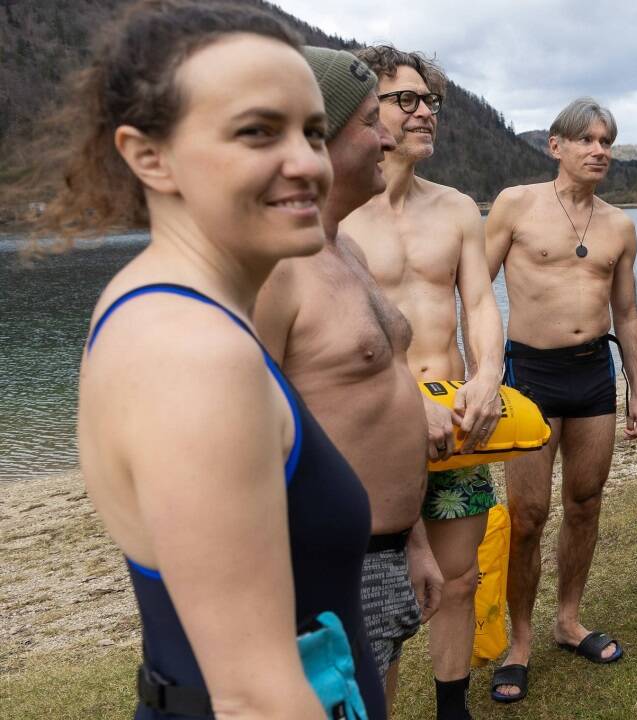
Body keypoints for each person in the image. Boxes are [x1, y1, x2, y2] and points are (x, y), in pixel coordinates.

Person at [56, 1, 385, 717]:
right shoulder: (193, 356)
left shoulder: (158, 303)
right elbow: (254, 698)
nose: (306, 163)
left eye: (313, 132)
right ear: (149, 156)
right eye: (258, 131)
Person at [251, 46, 444, 712]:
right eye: (369, 121)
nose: (388, 137)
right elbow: (241, 451)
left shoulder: (346, 249)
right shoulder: (273, 272)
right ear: (316, 138)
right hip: (322, 563)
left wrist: (414, 540)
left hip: (386, 548)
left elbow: (383, 401)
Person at [342, 44, 506, 719]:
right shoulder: (337, 215)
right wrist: (406, 403)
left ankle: (452, 710)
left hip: (459, 424)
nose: (424, 113)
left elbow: (481, 303)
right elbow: (336, 343)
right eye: (405, 100)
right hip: (376, 434)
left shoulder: (458, 208)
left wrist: (489, 373)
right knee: (382, 602)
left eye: (429, 100)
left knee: (460, 579)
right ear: (366, 111)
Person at [484, 97, 637, 702]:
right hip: (529, 373)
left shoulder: (619, 225)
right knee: (527, 514)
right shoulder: (515, 204)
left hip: (592, 373)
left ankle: (568, 621)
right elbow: (474, 290)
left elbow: (627, 312)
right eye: (586, 139)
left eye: (607, 141)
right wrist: (480, 373)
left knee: (585, 502)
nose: (599, 150)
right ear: (556, 145)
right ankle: (519, 641)